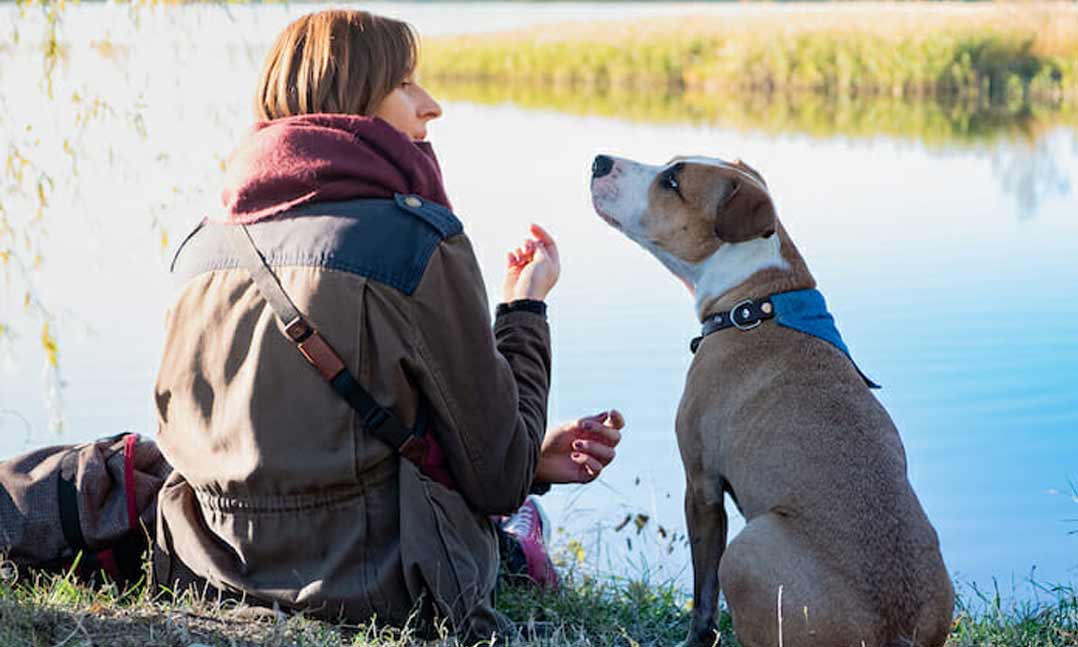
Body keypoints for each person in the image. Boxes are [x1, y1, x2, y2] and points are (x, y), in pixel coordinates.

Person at [150, 8, 625, 641]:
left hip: (208, 570)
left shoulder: (201, 249)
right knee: (513, 515)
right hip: (383, 590)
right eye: (405, 84)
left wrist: (531, 460)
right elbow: (501, 476)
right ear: (350, 102)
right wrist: (523, 310)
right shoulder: (414, 242)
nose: (432, 107)